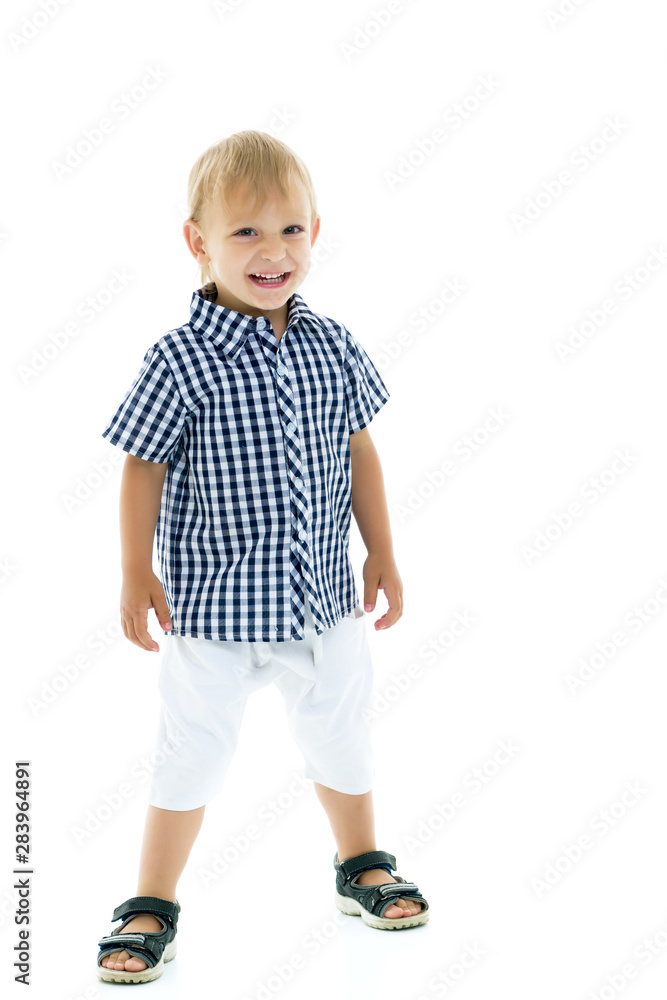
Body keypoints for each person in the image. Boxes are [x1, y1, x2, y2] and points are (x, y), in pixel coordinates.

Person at [95, 130, 429, 984]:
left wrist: (382, 550)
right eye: (245, 232)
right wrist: (135, 570)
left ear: (315, 233)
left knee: (341, 735)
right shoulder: (180, 359)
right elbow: (142, 465)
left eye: (290, 230)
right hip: (215, 607)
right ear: (198, 242)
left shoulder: (331, 344)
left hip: (323, 599)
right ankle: (151, 899)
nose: (272, 251)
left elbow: (358, 448)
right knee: (192, 750)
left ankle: (361, 863)